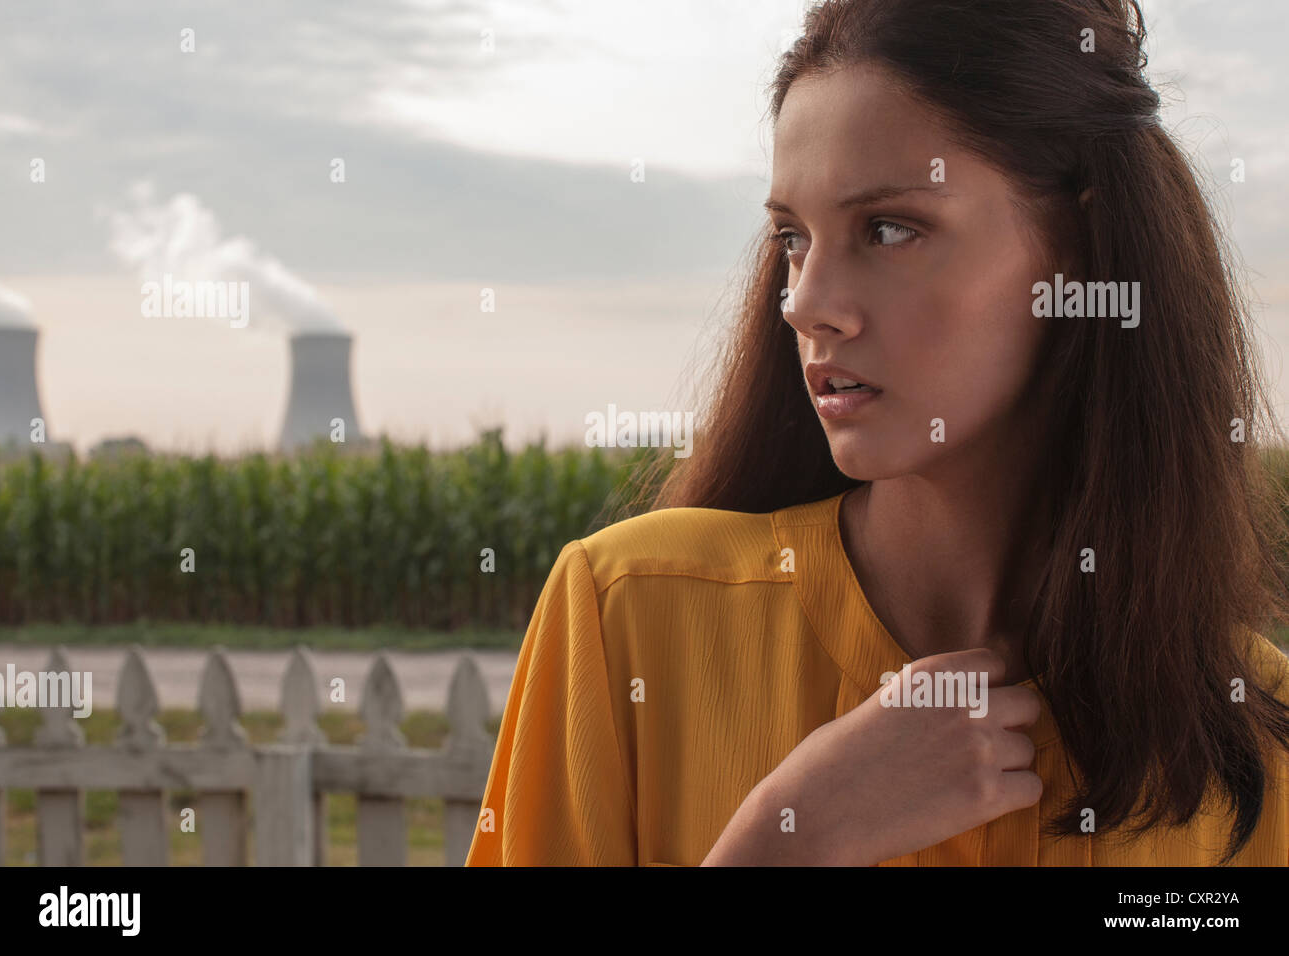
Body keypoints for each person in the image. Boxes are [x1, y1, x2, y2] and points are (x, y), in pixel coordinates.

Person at [465, 0, 1289, 866]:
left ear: (1079, 249)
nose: (806, 303)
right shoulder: (623, 613)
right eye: (793, 238)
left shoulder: (1254, 734)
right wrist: (789, 841)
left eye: (890, 229)